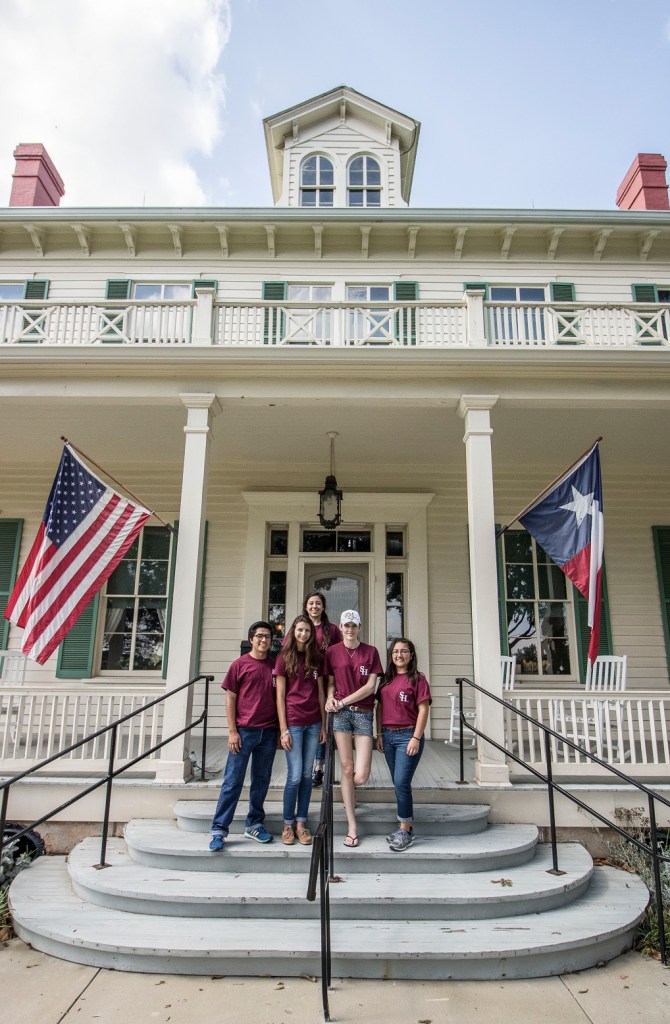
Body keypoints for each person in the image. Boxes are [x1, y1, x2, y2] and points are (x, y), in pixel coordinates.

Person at [209, 621, 278, 851]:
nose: (263, 640)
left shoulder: (275, 666)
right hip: (243, 732)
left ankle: (254, 824)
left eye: (267, 637)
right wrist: (232, 731)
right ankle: (219, 829)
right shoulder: (239, 665)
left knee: (261, 781)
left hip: (268, 732)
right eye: (259, 636)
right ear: (251, 639)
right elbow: (230, 699)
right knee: (233, 781)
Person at [324, 610, 383, 847]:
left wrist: (343, 701)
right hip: (340, 716)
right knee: (346, 769)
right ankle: (352, 826)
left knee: (361, 775)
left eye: (354, 625)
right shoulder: (332, 652)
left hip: (363, 715)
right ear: (340, 627)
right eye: (346, 625)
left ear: (360, 627)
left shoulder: (371, 652)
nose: (350, 629)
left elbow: (370, 687)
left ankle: (350, 793)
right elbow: (330, 683)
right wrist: (330, 699)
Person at [375, 637, 432, 852]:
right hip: (388, 736)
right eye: (395, 651)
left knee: (401, 782)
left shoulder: (418, 679)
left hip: (408, 735)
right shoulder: (386, 681)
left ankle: (405, 830)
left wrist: (416, 738)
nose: (399, 655)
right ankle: (404, 827)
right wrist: (379, 733)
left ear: (411, 655)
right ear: (391, 656)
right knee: (398, 783)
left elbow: (424, 709)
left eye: (404, 651)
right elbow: (379, 708)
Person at [275, 614, 326, 845]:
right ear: (293, 631)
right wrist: (283, 729)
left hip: (314, 722)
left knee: (307, 775)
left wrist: (324, 724)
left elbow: (321, 692)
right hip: (294, 722)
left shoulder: (317, 657)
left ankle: (301, 823)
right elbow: (280, 696)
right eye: (300, 630)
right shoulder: (284, 658)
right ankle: (287, 824)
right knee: (294, 776)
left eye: (307, 630)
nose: (304, 633)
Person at [302, 591, 343, 788]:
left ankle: (320, 768)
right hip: (304, 682)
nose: (314, 607)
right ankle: (305, 767)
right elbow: (288, 650)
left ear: (323, 607)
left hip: (327, 681)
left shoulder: (332, 630)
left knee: (324, 724)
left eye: (318, 603)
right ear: (306, 606)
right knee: (308, 723)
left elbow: (341, 653)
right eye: (311, 603)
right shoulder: (300, 627)